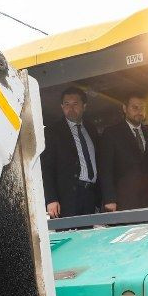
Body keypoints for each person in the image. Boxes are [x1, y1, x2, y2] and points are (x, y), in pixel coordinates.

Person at [41, 86, 100, 218]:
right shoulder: (52, 132)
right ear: (62, 107)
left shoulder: (91, 129)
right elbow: (46, 168)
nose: (70, 108)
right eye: (66, 104)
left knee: (90, 236)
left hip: (90, 194)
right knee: (70, 236)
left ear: (84, 106)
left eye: (75, 104)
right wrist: (51, 199)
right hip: (67, 197)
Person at [98, 93, 148, 211]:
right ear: (125, 108)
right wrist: (109, 199)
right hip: (123, 200)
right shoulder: (111, 133)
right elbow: (105, 169)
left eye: (142, 108)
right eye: (134, 107)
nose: (139, 111)